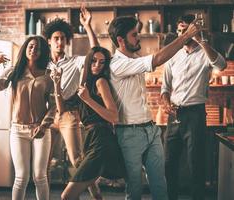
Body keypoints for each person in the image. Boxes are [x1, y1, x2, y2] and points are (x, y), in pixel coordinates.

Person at [107, 16, 200, 200]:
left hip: (151, 130)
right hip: (129, 134)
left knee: (160, 185)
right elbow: (157, 59)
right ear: (120, 40)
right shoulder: (117, 64)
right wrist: (185, 36)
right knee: (134, 190)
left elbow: (157, 57)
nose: (138, 38)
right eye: (134, 35)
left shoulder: (134, 57)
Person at [161, 14, 227, 200]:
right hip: (174, 115)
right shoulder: (172, 56)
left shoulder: (204, 53)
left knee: (195, 164)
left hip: (195, 114)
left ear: (194, 30)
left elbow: (221, 65)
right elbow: (165, 88)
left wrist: (201, 40)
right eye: (180, 31)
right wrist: (166, 102)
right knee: (168, 163)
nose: (182, 35)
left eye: (186, 30)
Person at [0, 36, 55, 200]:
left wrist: (44, 126)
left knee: (40, 176)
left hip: (41, 130)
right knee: (21, 177)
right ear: (25, 49)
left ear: (43, 52)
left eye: (37, 48)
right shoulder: (14, 71)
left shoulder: (49, 75)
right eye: (31, 46)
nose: (33, 50)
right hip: (18, 130)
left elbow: (53, 105)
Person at [51, 46, 125, 200]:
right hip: (91, 139)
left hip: (102, 140)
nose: (97, 65)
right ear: (87, 62)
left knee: (67, 195)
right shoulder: (84, 86)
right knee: (91, 194)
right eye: (93, 61)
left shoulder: (101, 82)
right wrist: (56, 83)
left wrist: (88, 99)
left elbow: (113, 116)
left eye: (102, 62)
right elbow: (62, 109)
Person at [43, 5, 102, 199]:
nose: (60, 42)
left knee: (77, 160)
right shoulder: (42, 64)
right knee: (44, 164)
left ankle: (96, 195)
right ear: (49, 41)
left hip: (69, 114)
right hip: (47, 116)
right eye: (56, 39)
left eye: (63, 39)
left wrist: (88, 26)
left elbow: (95, 53)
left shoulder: (75, 61)